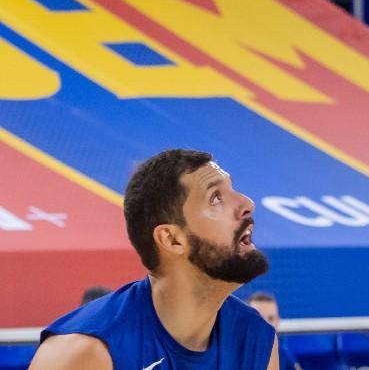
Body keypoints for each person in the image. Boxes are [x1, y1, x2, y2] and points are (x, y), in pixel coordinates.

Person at [31, 149, 278, 369]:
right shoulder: (84, 352)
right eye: (215, 197)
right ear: (171, 240)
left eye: (232, 189)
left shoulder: (256, 338)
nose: (247, 203)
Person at [247, 292, 302, 370]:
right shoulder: (231, 354)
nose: (266, 324)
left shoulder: (282, 354)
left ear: (278, 321)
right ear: (246, 321)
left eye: (271, 319)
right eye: (259, 318)